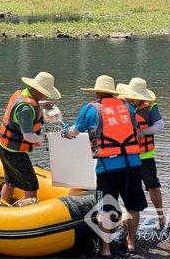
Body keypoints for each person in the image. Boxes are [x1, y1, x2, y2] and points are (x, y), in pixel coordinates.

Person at [62, 75, 147, 256]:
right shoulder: (128, 107)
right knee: (133, 205)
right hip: (132, 164)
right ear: (113, 92)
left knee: (105, 207)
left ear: (97, 92)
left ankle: (106, 249)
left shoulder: (91, 109)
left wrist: (64, 133)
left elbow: (74, 131)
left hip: (107, 167)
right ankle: (131, 243)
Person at [0, 71, 61, 203]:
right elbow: (28, 136)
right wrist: (43, 137)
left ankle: (2, 203)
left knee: (10, 180)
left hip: (4, 146)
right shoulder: (26, 109)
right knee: (31, 184)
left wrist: (43, 104)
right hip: (15, 153)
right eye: (44, 92)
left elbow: (31, 103)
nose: (44, 95)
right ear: (38, 90)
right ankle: (30, 209)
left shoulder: (23, 94)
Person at [117, 77, 165, 228]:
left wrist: (144, 133)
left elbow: (159, 125)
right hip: (127, 154)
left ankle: (160, 216)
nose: (133, 99)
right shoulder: (121, 103)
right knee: (126, 187)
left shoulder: (151, 107)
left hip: (145, 155)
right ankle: (130, 219)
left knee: (152, 185)